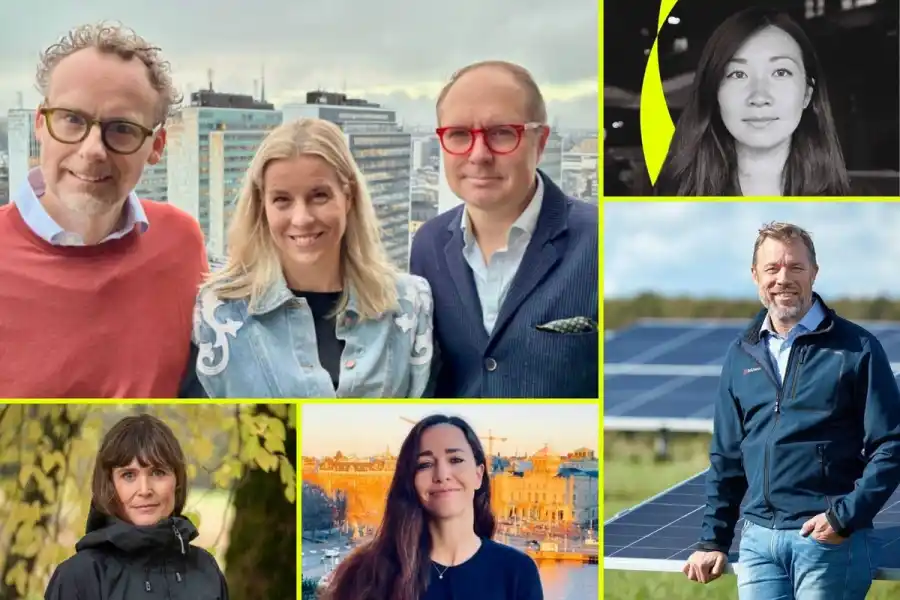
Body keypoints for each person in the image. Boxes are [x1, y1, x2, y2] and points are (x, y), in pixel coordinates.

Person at [683, 222, 900, 599]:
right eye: (772, 268)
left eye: (795, 267)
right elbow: (727, 458)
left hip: (828, 541)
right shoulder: (741, 353)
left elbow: (891, 444)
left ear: (814, 272)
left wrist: (842, 519)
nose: (783, 278)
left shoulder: (856, 348)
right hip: (758, 543)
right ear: (755, 276)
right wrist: (712, 540)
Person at [0, 22, 208, 398]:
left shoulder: (180, 242)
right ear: (40, 125)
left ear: (156, 145)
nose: (93, 149)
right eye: (73, 119)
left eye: (122, 128)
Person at [193, 118, 433, 398]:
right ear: (263, 207)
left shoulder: (409, 303)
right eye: (282, 199)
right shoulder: (218, 311)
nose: (302, 218)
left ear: (348, 197)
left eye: (319, 196)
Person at [409, 60, 598, 398]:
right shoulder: (428, 245)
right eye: (459, 134)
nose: (479, 154)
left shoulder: (600, 240)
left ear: (540, 143)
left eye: (501, 133)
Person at [322, 414, 543, 600]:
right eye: (425, 464)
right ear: (410, 480)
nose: (442, 475)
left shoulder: (517, 572)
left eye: (455, 460)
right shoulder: (368, 574)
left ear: (479, 475)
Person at [652, 8, 851, 196]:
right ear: (714, 91)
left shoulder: (853, 210)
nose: (759, 97)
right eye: (738, 74)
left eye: (780, 72)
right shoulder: (673, 203)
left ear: (807, 93)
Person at [44, 414, 228, 599]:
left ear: (177, 481)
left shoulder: (205, 569)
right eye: (129, 475)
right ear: (110, 485)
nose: (145, 490)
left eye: (158, 472)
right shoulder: (80, 576)